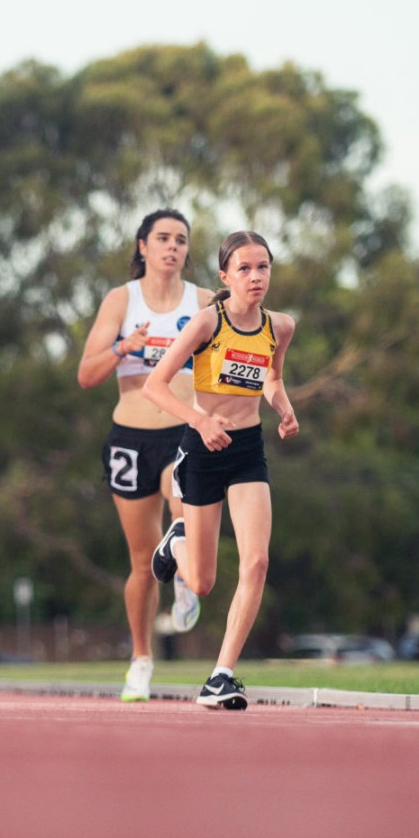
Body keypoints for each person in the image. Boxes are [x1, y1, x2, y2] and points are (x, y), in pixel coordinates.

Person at [143, 230, 299, 710]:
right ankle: (178, 540)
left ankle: (221, 675)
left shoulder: (281, 326)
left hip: (248, 449)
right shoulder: (206, 323)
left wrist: (284, 407)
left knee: (257, 561)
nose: (256, 277)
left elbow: (271, 376)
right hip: (203, 448)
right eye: (246, 268)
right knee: (205, 582)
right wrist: (199, 419)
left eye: (264, 267)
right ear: (225, 276)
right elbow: (155, 385)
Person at [78, 208, 214, 702]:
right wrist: (122, 347)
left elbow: (231, 359)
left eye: (181, 239)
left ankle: (181, 575)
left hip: (184, 430)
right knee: (139, 563)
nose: (172, 247)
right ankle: (141, 659)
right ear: (143, 246)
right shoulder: (121, 300)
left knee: (185, 515)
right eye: (163, 238)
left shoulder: (203, 301)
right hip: (130, 439)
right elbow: (86, 375)